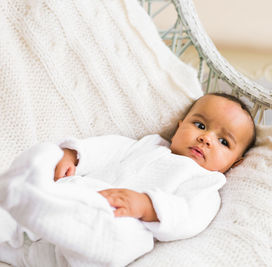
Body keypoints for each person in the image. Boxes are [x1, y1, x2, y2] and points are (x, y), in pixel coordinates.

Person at [0, 93, 256, 267]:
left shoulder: (206, 184)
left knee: (128, 239)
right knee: (48, 155)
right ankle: (23, 195)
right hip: (64, 208)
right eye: (200, 125)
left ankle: (31, 201)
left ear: (235, 163)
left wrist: (147, 205)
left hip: (108, 231)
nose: (206, 138)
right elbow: (109, 148)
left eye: (224, 142)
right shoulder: (148, 145)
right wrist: (73, 155)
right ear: (179, 126)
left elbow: (189, 216)